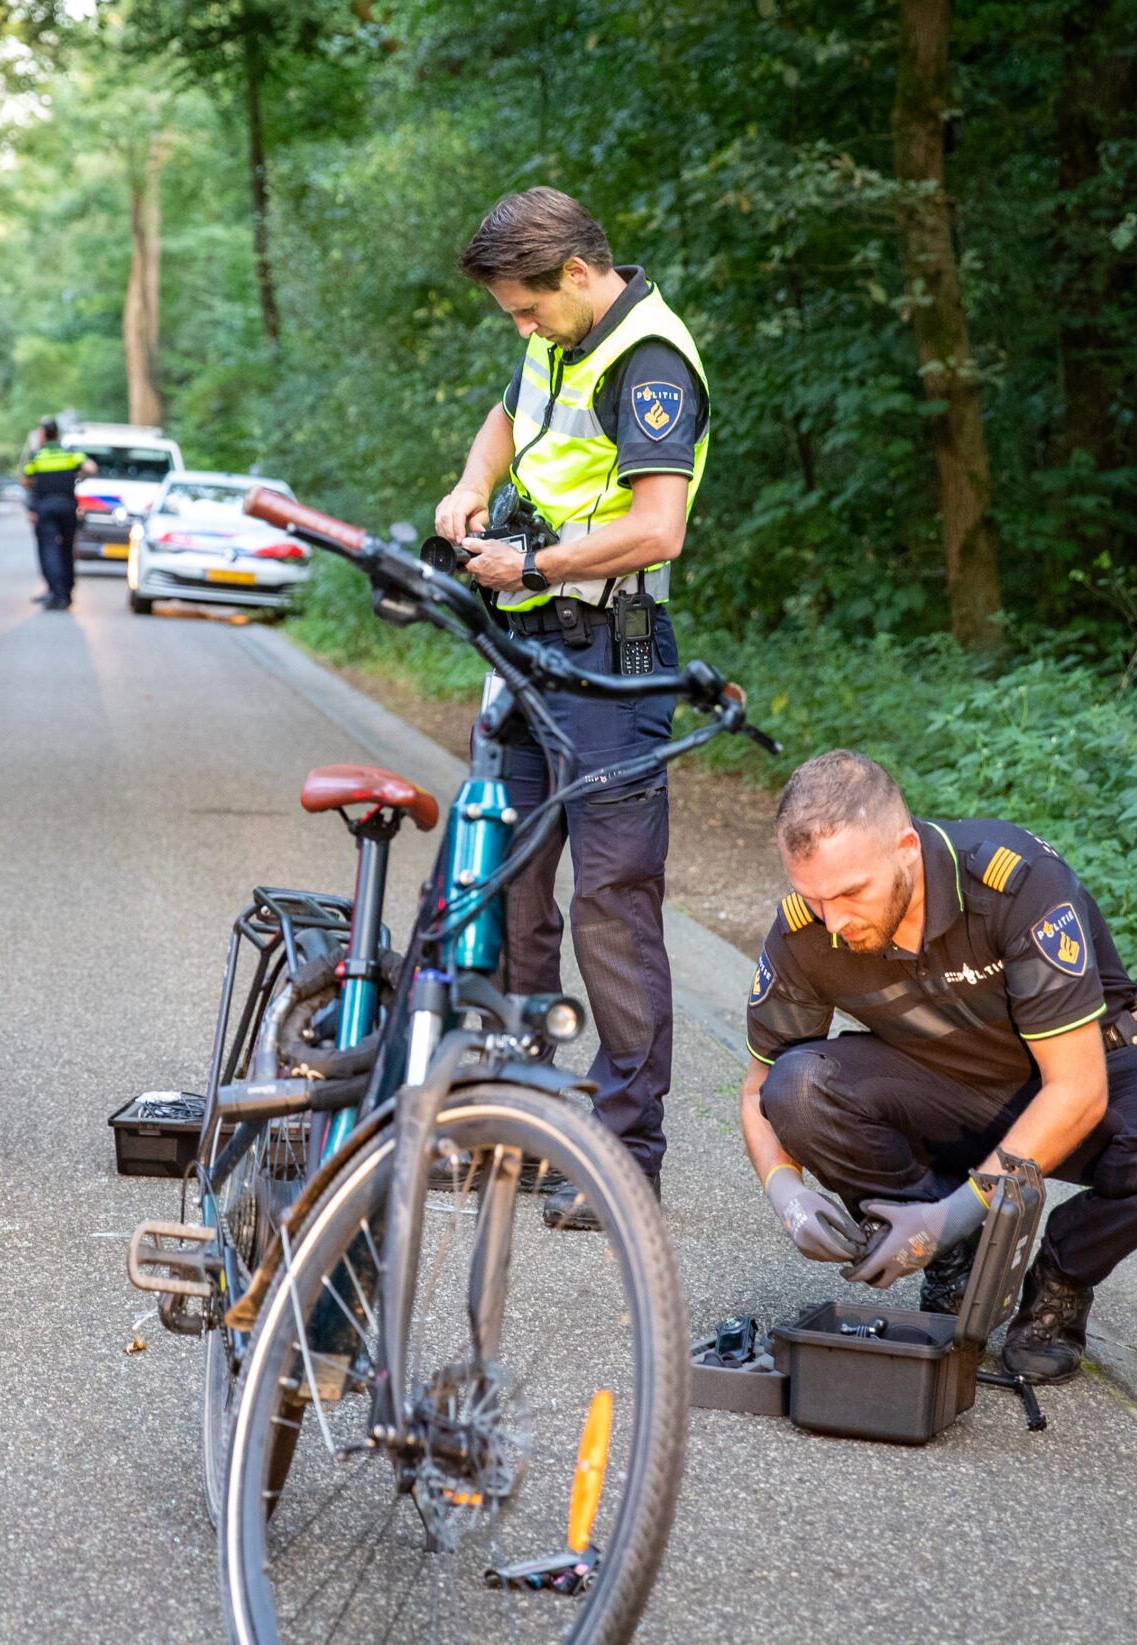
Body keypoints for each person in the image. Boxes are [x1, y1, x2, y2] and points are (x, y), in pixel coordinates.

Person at [740, 750, 1137, 1383]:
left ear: (905, 848)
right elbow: (760, 1089)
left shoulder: (1014, 883)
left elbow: (1077, 1090)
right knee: (800, 1088)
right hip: (947, 1089)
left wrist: (955, 1210)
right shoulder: (805, 933)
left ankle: (1060, 1281)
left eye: (852, 892)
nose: (835, 921)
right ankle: (955, 1263)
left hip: (1088, 1075)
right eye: (813, 897)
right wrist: (785, 1193)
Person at [431, 187, 711, 1226]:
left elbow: (657, 526)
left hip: (610, 654)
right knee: (504, 882)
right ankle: (517, 1124)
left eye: (524, 308)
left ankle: (626, 1152)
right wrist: (469, 486)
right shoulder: (559, 339)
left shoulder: (649, 361)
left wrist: (527, 560)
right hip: (526, 643)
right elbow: (510, 413)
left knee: (611, 905)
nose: (519, 326)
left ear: (578, 275)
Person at [20, 420, 93, 610]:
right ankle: (67, 592)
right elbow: (91, 468)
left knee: (49, 549)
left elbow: (25, 480)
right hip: (68, 506)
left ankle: (57, 593)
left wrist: (37, 486)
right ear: (58, 434)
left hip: (46, 507)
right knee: (67, 548)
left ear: (44, 434)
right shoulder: (69, 453)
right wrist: (77, 479)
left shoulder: (37, 456)